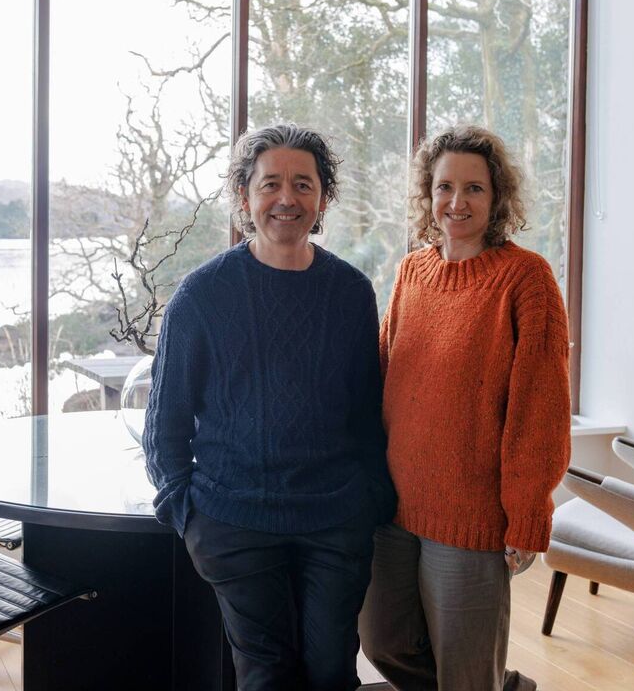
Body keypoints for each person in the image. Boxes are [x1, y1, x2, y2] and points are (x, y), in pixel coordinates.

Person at [143, 123, 397, 691]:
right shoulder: (202, 295)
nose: (287, 199)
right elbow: (166, 423)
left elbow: (365, 411)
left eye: (303, 184)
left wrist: (371, 498)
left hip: (335, 520)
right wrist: (188, 515)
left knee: (333, 671)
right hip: (233, 523)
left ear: (323, 198)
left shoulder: (351, 292)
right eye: (271, 184)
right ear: (244, 198)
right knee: (266, 676)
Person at [359, 125, 571, 691]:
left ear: (497, 196)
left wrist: (527, 512)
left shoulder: (525, 280)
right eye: (444, 187)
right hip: (394, 507)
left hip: (471, 516)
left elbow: (540, 409)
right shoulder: (411, 273)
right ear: (427, 196)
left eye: (474, 189)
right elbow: (382, 378)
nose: (457, 202)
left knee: (466, 670)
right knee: (381, 642)